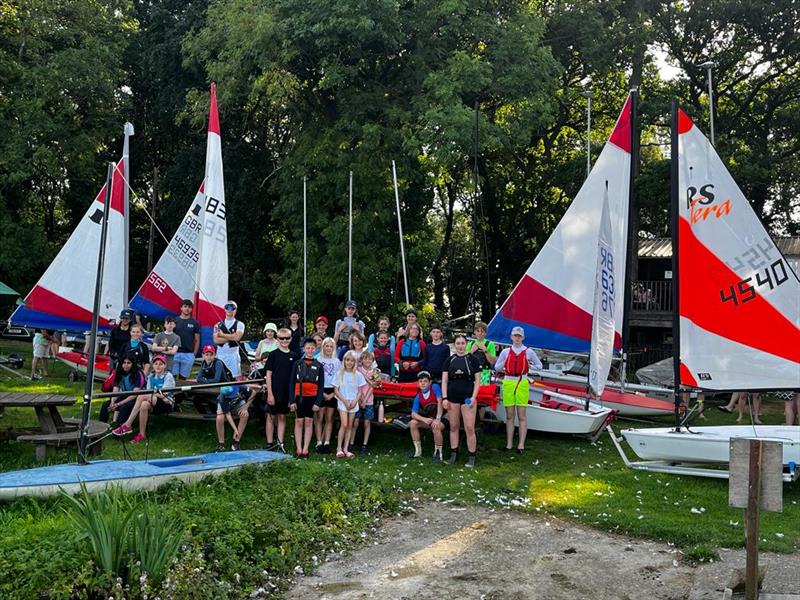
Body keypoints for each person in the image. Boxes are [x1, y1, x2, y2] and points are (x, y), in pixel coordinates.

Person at [494, 326, 542, 452]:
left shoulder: (528, 352)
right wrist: (504, 363)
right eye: (515, 335)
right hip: (509, 381)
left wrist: (529, 365)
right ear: (511, 337)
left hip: (522, 382)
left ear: (523, 337)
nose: (517, 338)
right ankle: (509, 444)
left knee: (522, 415)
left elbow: (540, 366)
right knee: (509, 415)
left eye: (519, 336)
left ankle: (521, 445)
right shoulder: (505, 352)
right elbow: (497, 367)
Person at [196, 344, 250, 451]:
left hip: (229, 391)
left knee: (245, 414)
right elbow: (198, 378)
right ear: (203, 355)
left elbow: (216, 380)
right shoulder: (203, 364)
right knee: (220, 417)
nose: (208, 356)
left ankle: (237, 440)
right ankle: (221, 443)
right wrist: (205, 381)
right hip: (218, 393)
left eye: (211, 354)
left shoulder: (218, 363)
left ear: (214, 354)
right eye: (206, 354)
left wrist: (205, 381)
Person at [112, 354, 175, 443]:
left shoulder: (168, 376)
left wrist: (153, 393)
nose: (158, 366)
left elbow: (164, 394)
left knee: (142, 395)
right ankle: (142, 434)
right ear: (153, 365)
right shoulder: (151, 377)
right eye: (156, 363)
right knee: (144, 405)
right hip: (153, 401)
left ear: (165, 365)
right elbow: (150, 392)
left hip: (166, 403)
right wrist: (154, 393)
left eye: (161, 364)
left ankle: (128, 424)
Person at [441, 334, 481, 467]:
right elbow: (444, 381)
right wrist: (445, 398)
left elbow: (477, 381)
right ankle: (453, 454)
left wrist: (473, 398)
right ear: (454, 345)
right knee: (453, 427)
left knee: (469, 428)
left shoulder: (472, 360)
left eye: (463, 343)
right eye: (457, 343)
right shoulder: (449, 360)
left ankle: (472, 457)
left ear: (466, 344)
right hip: (452, 398)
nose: (460, 346)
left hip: (468, 398)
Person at [289, 338, 325, 457]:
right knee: (299, 422)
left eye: (312, 348)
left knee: (309, 422)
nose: (310, 350)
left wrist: (318, 402)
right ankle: (299, 449)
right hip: (299, 397)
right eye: (308, 348)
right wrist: (292, 400)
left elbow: (321, 386)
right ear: (304, 349)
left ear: (316, 349)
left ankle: (305, 449)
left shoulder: (319, 366)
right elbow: (291, 382)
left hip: (312, 398)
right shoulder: (297, 364)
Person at [265, 327, 298, 453]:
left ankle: (280, 442)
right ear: (277, 339)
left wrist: (292, 397)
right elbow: (268, 375)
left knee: (282, 417)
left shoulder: (294, 356)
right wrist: (270, 394)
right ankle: (269, 443)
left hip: (287, 392)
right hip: (274, 391)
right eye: (281, 338)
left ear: (291, 339)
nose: (284, 340)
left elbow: (295, 378)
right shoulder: (273, 354)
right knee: (271, 416)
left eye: (287, 338)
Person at [409, 371, 445, 462]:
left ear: (430, 382)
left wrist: (438, 418)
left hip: (443, 417)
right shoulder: (418, 396)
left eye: (425, 381)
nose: (423, 383)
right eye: (420, 381)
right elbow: (413, 414)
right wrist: (423, 419)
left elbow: (440, 402)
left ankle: (438, 453)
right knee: (413, 423)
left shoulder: (435, 388)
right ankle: (418, 451)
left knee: (435, 426)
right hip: (430, 419)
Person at [335, 350, 365, 458]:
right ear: (344, 361)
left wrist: (355, 401)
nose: (349, 362)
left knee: (350, 426)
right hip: (343, 402)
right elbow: (336, 390)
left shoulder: (358, 375)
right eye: (347, 360)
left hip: (353, 402)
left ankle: (346, 448)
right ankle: (339, 448)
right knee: (344, 424)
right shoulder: (339, 373)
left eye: (352, 361)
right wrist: (344, 401)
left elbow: (360, 391)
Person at [99, 355, 146, 424]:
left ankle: (119, 427)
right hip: (124, 395)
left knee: (124, 407)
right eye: (124, 363)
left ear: (133, 364)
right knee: (106, 405)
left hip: (137, 398)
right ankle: (101, 425)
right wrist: (112, 402)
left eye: (128, 363)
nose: (126, 365)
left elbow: (135, 394)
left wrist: (119, 404)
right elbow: (115, 390)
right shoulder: (119, 372)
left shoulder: (138, 374)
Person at [315, 337, 340, 453]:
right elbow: (315, 379)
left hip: (332, 390)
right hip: (320, 390)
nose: (329, 348)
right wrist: (322, 393)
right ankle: (319, 441)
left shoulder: (337, 362)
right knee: (319, 417)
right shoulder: (318, 360)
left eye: (331, 346)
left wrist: (333, 393)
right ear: (323, 347)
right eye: (327, 346)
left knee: (329, 418)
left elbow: (339, 379)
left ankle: (327, 442)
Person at [354, 350, 380, 454]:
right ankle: (351, 442)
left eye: (370, 359)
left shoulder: (376, 371)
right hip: (357, 399)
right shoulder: (357, 370)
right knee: (355, 421)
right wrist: (360, 399)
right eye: (365, 358)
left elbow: (374, 386)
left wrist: (364, 400)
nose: (368, 360)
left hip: (368, 400)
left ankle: (364, 444)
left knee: (367, 422)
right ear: (361, 360)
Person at [213, 301, 245, 377]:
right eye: (227, 307)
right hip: (220, 355)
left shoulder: (240, 324)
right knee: (219, 376)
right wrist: (232, 337)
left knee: (235, 377)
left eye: (232, 307)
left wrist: (222, 335)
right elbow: (216, 340)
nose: (230, 309)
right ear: (224, 309)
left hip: (233, 355)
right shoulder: (218, 325)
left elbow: (237, 337)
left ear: (236, 310)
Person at [173, 299, 201, 380]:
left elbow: (197, 340)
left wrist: (194, 354)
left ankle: (181, 393)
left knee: (183, 379)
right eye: (185, 306)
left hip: (188, 354)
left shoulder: (195, 323)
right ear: (181, 308)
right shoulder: (175, 321)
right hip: (175, 353)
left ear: (192, 309)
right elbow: (170, 336)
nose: (187, 309)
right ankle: (170, 393)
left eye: (189, 307)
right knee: (172, 377)